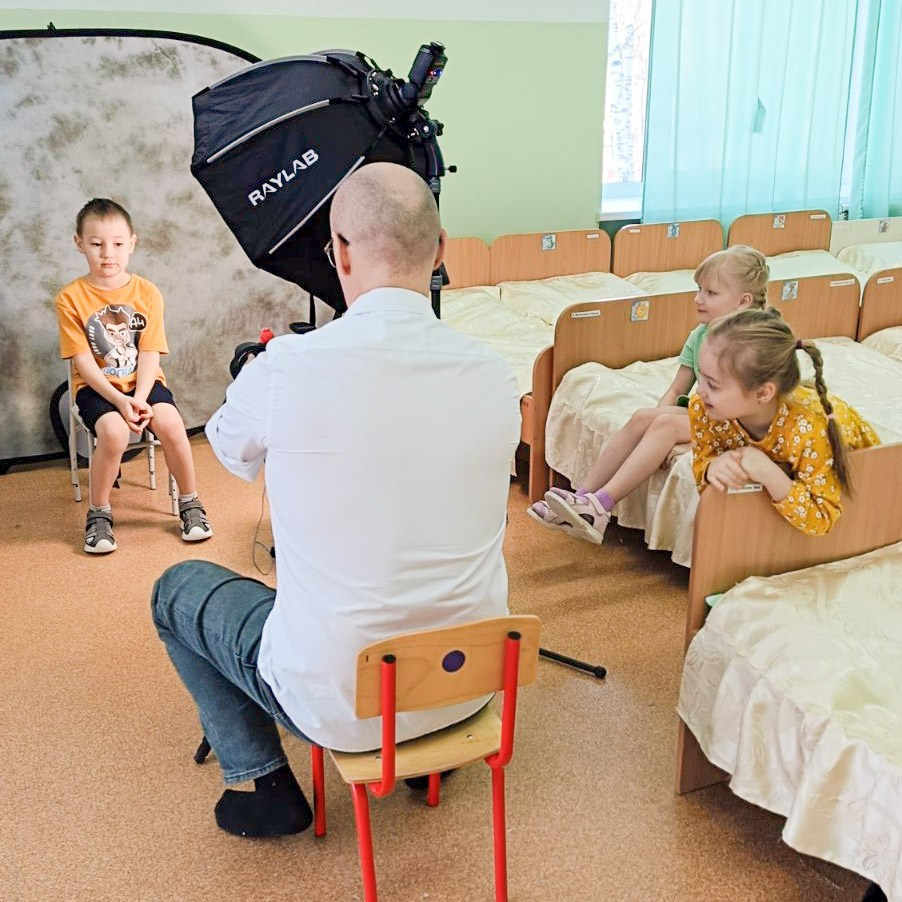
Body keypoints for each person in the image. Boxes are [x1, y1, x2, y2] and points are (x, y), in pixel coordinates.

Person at [150, 162, 521, 838]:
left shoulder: (289, 366)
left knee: (177, 589)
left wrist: (265, 382)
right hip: (469, 685)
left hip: (340, 704)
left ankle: (257, 779)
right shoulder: (496, 375)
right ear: (441, 252)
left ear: (339, 253)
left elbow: (232, 453)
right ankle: (424, 760)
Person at [531, 244, 769, 545]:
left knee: (666, 426)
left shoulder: (756, 338)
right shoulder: (700, 335)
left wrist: (662, 427)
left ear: (742, 301)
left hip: (744, 423)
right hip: (711, 414)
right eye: (699, 290)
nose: (698, 299)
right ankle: (581, 499)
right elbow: (677, 388)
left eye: (711, 293)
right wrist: (653, 427)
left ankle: (602, 504)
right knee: (646, 417)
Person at [55, 198, 213, 554]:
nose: (107, 253)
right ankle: (99, 514)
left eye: (117, 243)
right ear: (80, 244)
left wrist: (139, 399)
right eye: (96, 244)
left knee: (171, 423)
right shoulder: (70, 298)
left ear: (132, 243)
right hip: (98, 388)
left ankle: (190, 503)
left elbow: (149, 351)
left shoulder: (147, 293)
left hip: (144, 383)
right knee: (114, 433)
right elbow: (83, 363)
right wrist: (119, 401)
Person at [690, 307, 879, 534]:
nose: (700, 390)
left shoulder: (810, 429)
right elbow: (703, 464)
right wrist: (713, 467)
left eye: (713, 384)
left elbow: (822, 518)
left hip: (872, 497)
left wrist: (767, 472)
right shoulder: (703, 408)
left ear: (762, 393)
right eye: (700, 375)